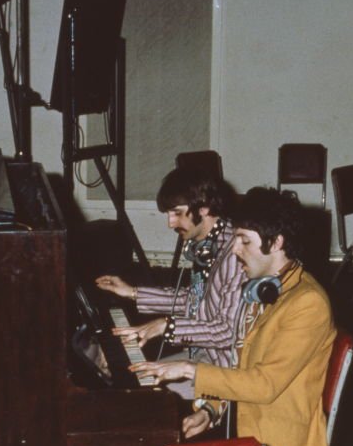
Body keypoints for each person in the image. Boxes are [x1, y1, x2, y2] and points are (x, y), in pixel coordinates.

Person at [132, 188, 336, 446]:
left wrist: (191, 370)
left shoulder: (307, 303)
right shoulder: (266, 288)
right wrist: (209, 409)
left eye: (244, 241)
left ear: (276, 243)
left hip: (276, 442)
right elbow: (242, 364)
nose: (236, 250)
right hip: (245, 423)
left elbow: (263, 384)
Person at [94, 167, 259, 408]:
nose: (170, 223)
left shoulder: (233, 254)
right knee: (129, 376)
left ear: (203, 208)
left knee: (142, 401)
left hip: (224, 366)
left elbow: (228, 331)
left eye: (177, 213)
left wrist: (167, 326)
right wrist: (133, 292)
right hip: (201, 354)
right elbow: (195, 300)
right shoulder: (207, 245)